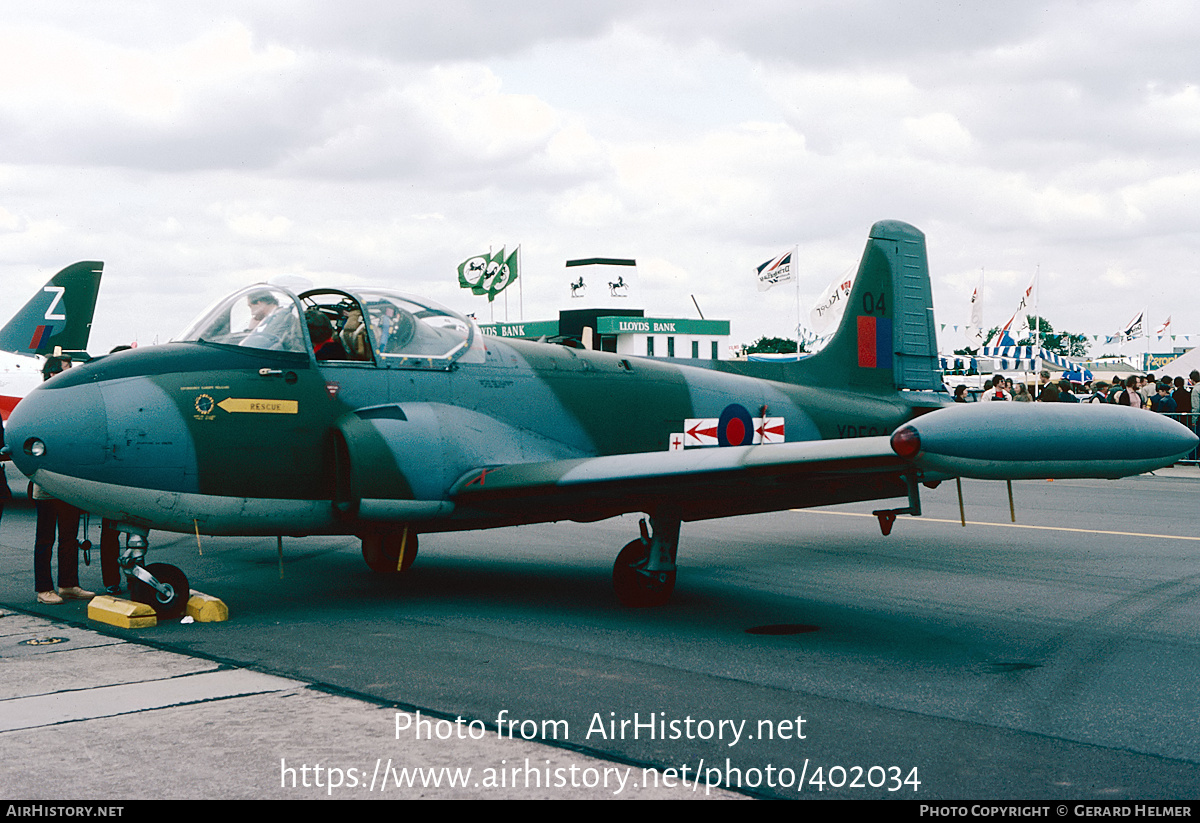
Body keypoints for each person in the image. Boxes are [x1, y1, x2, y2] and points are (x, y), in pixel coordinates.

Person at [33, 355, 93, 605]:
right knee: (46, 538)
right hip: (47, 481)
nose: (70, 374)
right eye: (66, 370)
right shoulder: (37, 403)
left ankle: (68, 584)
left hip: (69, 482)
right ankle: (43, 588)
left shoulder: (73, 403)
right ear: (51, 374)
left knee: (70, 537)